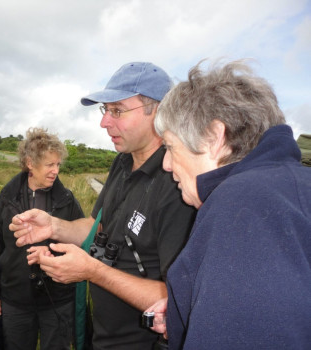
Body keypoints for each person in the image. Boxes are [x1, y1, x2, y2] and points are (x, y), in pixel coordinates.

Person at [10, 62, 196, 349]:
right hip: (102, 336)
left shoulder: (179, 184)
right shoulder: (122, 163)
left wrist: (92, 271)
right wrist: (54, 226)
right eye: (105, 110)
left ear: (157, 112)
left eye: (118, 110)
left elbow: (180, 300)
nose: (104, 122)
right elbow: (98, 226)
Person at [148, 60, 311, 349]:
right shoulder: (290, 187)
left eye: (171, 147)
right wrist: (190, 311)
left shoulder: (244, 206)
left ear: (213, 137)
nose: (166, 164)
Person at [0, 127, 84, 350]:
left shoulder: (67, 200)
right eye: (50, 164)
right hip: (14, 301)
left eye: (58, 164)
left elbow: (81, 243)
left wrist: (54, 253)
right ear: (30, 163)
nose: (55, 171)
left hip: (58, 300)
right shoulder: (6, 199)